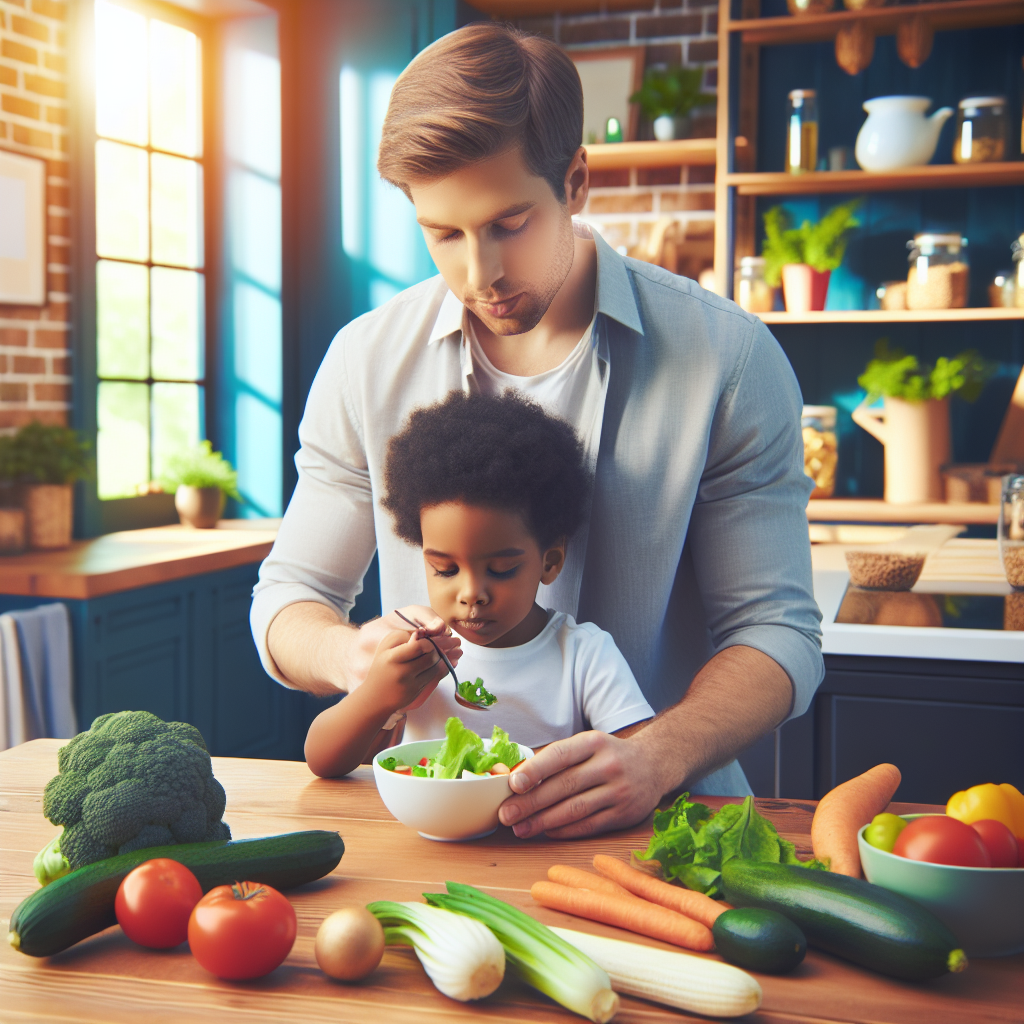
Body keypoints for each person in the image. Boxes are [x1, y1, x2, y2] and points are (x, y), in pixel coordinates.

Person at [251, 23, 823, 839]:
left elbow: (779, 634)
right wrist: (355, 661)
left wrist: (657, 755)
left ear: (576, 181)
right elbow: (291, 597)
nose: (478, 273)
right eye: (442, 233)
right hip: (438, 831)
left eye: (508, 222)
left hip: (666, 822)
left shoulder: (728, 358)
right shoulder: (363, 361)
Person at [303, 390, 654, 778]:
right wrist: (377, 698)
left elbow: (637, 755)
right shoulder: (419, 657)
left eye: (501, 569)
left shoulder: (583, 655)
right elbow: (323, 762)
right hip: (423, 838)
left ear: (550, 561)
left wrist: (515, 760)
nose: (471, 594)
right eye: (445, 569)